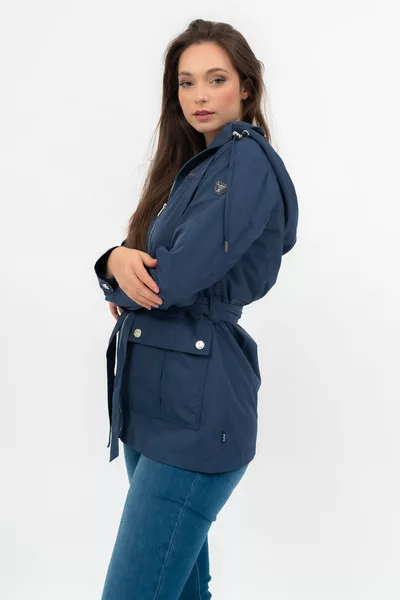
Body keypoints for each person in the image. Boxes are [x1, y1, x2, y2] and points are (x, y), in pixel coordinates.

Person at [94, 18, 298, 600]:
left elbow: (170, 281)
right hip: (152, 408)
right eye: (186, 83)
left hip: (197, 412)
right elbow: (142, 267)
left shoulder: (245, 163)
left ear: (246, 88)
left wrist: (114, 268)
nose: (199, 96)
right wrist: (116, 263)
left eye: (216, 79)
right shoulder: (195, 169)